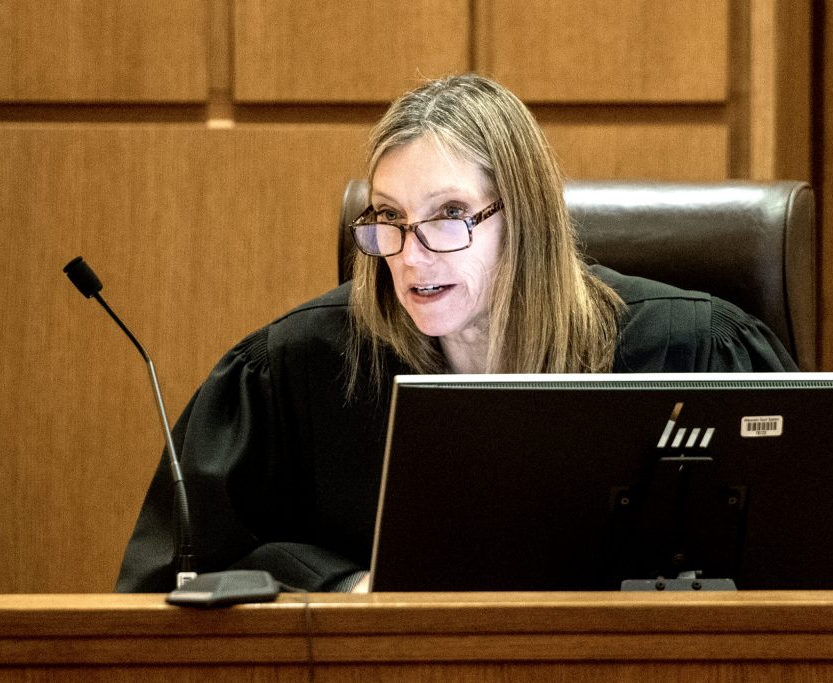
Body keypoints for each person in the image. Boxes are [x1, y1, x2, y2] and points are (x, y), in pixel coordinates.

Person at [115, 74, 796, 593]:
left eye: (449, 215)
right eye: (389, 216)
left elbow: (806, 575)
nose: (411, 255)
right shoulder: (297, 370)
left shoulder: (694, 352)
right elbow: (178, 578)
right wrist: (342, 583)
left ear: (522, 218)